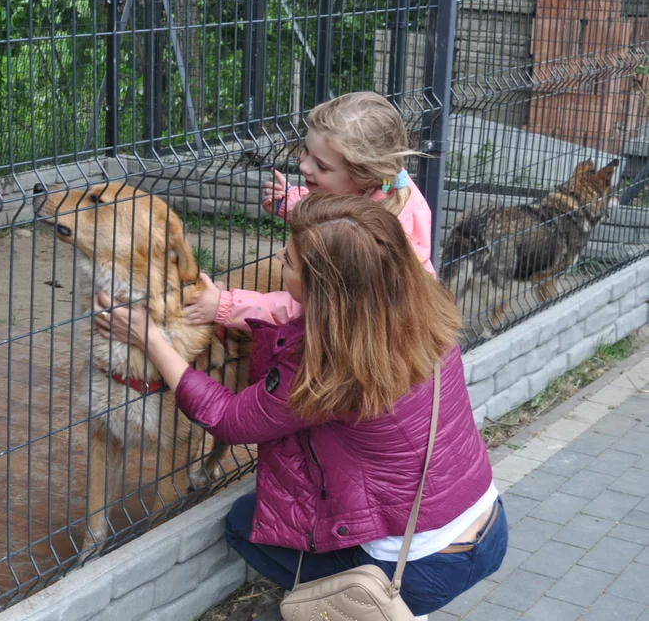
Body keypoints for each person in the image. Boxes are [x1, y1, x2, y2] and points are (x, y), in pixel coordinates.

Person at [92, 193, 506, 617]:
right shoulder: (423, 308)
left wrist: (151, 339)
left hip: (415, 571)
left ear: (322, 288)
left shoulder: (329, 359)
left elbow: (228, 419)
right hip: (488, 526)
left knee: (242, 524)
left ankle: (351, 609)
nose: (279, 258)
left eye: (288, 261)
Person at [184, 91, 434, 329]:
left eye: (322, 166)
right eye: (305, 150)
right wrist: (294, 202)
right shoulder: (391, 186)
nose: (304, 165)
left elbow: (302, 311)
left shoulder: (361, 246)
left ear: (364, 177)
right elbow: (339, 207)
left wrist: (224, 305)